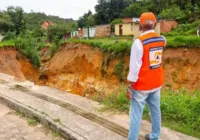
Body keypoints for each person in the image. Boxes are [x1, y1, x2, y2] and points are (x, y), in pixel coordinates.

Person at [126, 12, 166, 140]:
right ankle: (155, 136)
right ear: (155, 24)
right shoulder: (162, 40)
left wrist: (129, 87)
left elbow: (134, 69)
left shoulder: (138, 43)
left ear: (140, 26)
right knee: (155, 112)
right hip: (156, 84)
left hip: (142, 86)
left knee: (136, 115)